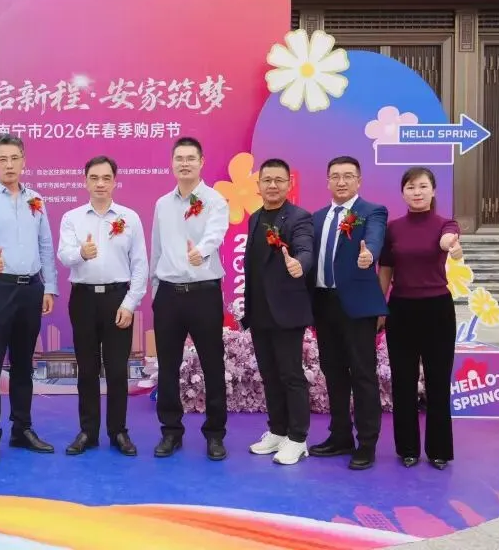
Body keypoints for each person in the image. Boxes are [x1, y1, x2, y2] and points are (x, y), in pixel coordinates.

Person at [0, 134, 58, 468]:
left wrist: (49, 287)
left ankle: (22, 429)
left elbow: (45, 244)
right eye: (2, 159)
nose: (9, 165)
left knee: (23, 365)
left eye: (15, 158)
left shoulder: (36, 200)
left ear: (24, 161)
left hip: (30, 289)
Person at [57, 155, 147, 457]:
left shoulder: (129, 218)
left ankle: (118, 431)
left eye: (106, 178)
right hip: (83, 299)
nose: (100, 184)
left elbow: (140, 265)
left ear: (115, 182)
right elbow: (64, 255)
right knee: (87, 369)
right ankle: (88, 431)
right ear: (85, 182)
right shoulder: (72, 218)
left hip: (117, 299)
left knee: (118, 370)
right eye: (94, 178)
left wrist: (130, 303)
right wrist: (81, 253)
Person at [150, 137, 230, 460]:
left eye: (190, 158)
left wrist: (201, 252)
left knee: (213, 365)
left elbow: (216, 233)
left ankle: (215, 434)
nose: (184, 164)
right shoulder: (162, 204)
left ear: (201, 162)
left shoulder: (215, 200)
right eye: (179, 158)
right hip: (168, 295)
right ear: (172, 163)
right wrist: (156, 290)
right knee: (168, 366)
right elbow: (156, 248)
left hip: (203, 293)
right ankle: (171, 431)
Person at [308, 155, 388, 470]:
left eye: (348, 176)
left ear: (359, 180)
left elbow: (375, 239)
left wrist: (370, 255)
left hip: (356, 306)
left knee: (363, 374)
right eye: (335, 176)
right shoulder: (316, 218)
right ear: (328, 181)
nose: (341, 182)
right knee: (334, 372)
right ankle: (340, 435)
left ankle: (367, 443)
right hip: (323, 304)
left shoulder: (371, 212)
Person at [378, 167, 461, 471]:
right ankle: (408, 449)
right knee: (403, 381)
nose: (417, 192)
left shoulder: (445, 224)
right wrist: (379, 307)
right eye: (411, 187)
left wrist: (451, 246)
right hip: (401, 309)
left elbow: (449, 240)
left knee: (438, 381)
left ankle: (439, 450)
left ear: (433, 190)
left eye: (423, 186)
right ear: (403, 193)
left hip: (437, 310)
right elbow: (386, 269)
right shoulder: (393, 229)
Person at [240, 159, 315, 466]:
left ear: (289, 184)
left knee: (290, 375)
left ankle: (298, 439)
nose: (272, 185)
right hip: (259, 312)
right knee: (269, 375)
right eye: (267, 180)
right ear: (258, 185)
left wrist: (300, 264)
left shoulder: (299, 217)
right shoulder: (255, 218)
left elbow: (305, 248)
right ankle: (278, 430)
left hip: (286, 312)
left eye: (278, 180)